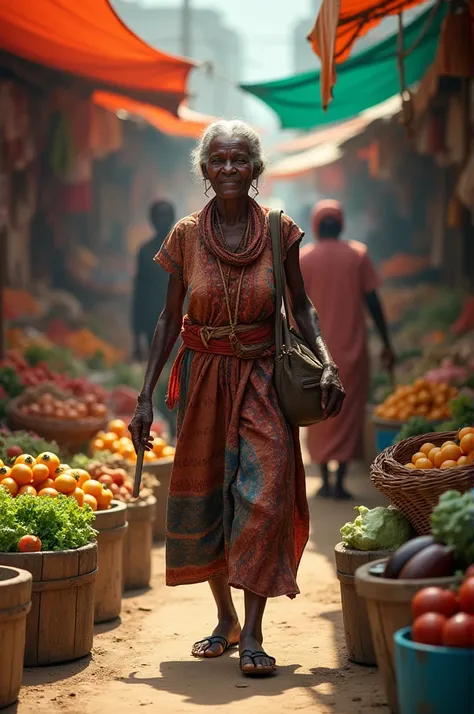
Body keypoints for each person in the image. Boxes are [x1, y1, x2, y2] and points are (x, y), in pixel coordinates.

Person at [128, 120, 345, 677]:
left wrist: (326, 361)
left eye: (239, 160)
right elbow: (168, 317)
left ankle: (252, 632)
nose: (228, 169)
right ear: (205, 170)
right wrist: (145, 397)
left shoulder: (280, 230)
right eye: (218, 160)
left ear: (255, 169)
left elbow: (302, 306)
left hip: (263, 382)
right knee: (210, 502)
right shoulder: (183, 236)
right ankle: (224, 619)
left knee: (264, 495)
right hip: (201, 383)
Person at [300, 200, 395, 500]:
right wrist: (387, 342)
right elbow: (374, 303)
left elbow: (292, 305)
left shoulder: (304, 258)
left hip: (315, 351)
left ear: (315, 226)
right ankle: (339, 479)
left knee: (319, 411)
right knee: (347, 411)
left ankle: (325, 478)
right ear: (341, 224)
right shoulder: (358, 255)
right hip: (351, 350)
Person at [131, 200, 176, 360]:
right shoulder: (145, 252)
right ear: (152, 220)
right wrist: (137, 335)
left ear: (172, 218)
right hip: (154, 323)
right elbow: (139, 293)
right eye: (158, 217)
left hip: (183, 323)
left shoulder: (185, 247)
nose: (162, 221)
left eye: (165, 217)